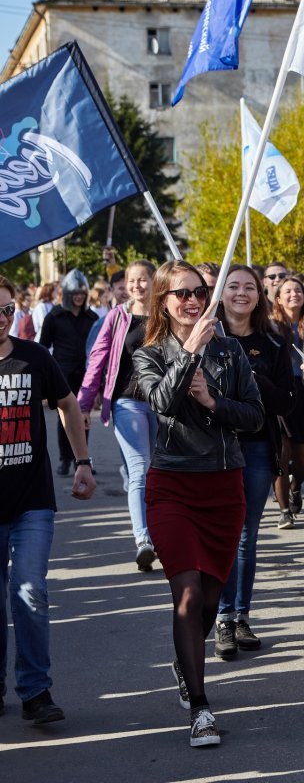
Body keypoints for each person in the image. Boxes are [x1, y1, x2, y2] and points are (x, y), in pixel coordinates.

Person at [133, 261, 265, 746]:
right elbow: (163, 403)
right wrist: (188, 353)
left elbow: (254, 416)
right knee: (187, 594)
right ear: (164, 302)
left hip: (223, 486)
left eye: (199, 292)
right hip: (172, 486)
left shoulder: (230, 351)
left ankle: (184, 660)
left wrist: (213, 403)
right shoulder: (147, 355)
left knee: (209, 600)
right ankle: (201, 707)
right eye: (182, 293)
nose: (192, 300)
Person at [0, 275, 96, 724]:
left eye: (5, 311)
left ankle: (36, 692)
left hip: (31, 502)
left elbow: (68, 403)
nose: (0, 319)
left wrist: (82, 461)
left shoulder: (33, 357)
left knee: (30, 592)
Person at [212, 265, 296, 661]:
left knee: (246, 535)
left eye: (249, 287)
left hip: (258, 448)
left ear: (260, 295)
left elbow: (287, 400)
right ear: (221, 292)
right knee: (223, 535)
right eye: (233, 287)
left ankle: (240, 615)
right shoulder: (205, 338)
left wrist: (255, 384)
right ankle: (222, 618)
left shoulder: (274, 343)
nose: (242, 293)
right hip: (213, 450)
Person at [78, 260, 159, 571]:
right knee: (139, 468)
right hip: (127, 402)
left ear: (155, 282)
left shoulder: (168, 314)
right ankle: (143, 540)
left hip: (163, 403)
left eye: (142, 280)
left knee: (160, 472)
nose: (136, 286)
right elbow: (97, 361)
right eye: (132, 280)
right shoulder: (117, 317)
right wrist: (84, 405)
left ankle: (161, 533)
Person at [270, 276, 304, 530]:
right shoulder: (269, 326)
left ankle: (296, 485)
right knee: (280, 455)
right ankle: (284, 510)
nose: (294, 294)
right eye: (287, 291)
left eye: (298, 290)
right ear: (277, 298)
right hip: (279, 394)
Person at [38, 270, 97, 476]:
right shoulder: (54, 316)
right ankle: (64, 458)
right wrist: (45, 377)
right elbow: (43, 347)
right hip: (61, 373)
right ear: (67, 294)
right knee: (64, 417)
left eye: (82, 292)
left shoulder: (92, 318)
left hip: (86, 374)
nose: (79, 296)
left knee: (83, 416)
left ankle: (81, 459)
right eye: (75, 293)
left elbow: (99, 349)